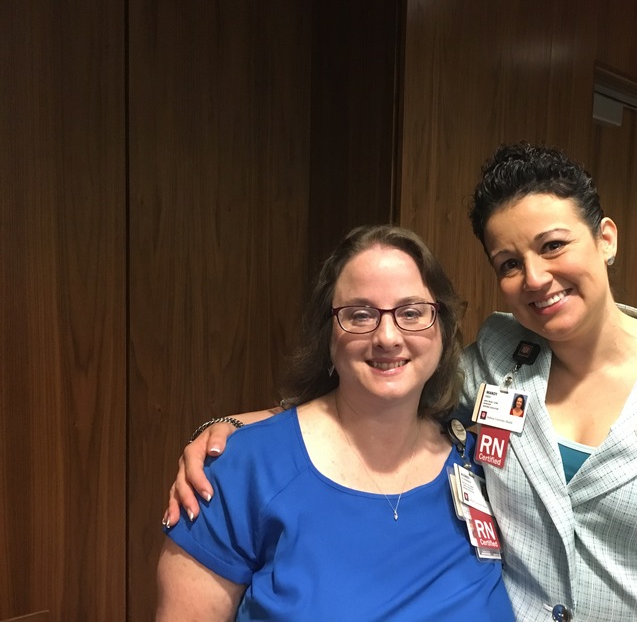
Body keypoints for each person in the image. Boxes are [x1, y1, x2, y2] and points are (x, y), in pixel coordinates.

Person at [166, 143, 637, 621]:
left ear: (605, 238)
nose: (536, 278)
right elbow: (387, 381)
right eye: (509, 263)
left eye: (554, 245)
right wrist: (236, 429)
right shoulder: (497, 360)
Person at [156, 225, 514, 620]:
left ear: (442, 328)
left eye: (412, 312)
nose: (388, 337)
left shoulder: (478, 461)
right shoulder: (242, 471)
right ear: (328, 334)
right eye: (360, 315)